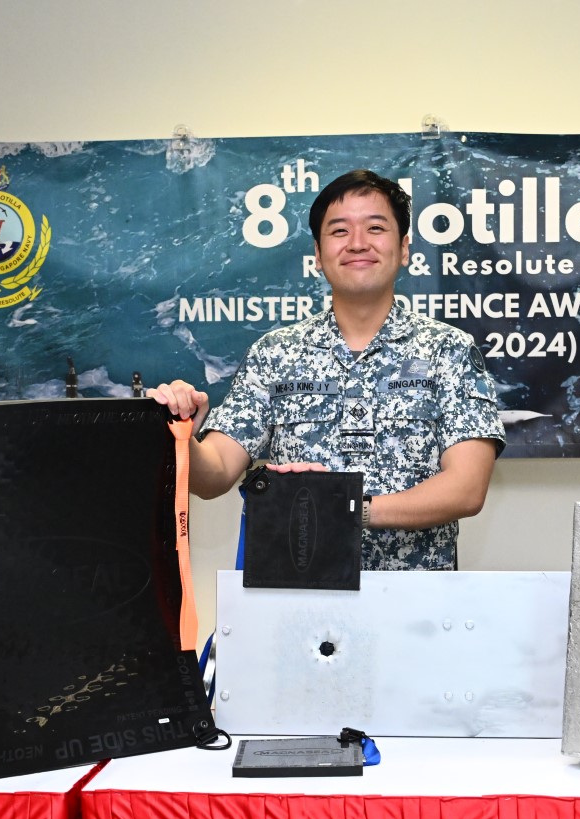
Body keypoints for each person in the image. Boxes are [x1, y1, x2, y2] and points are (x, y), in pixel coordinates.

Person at [152, 168, 504, 569]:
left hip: (416, 597)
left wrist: (348, 509)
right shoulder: (275, 353)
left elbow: (466, 488)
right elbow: (212, 476)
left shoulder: (448, 350)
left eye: (375, 228)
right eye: (339, 231)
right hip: (297, 594)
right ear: (318, 255)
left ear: (404, 248)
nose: (357, 243)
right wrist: (179, 433)